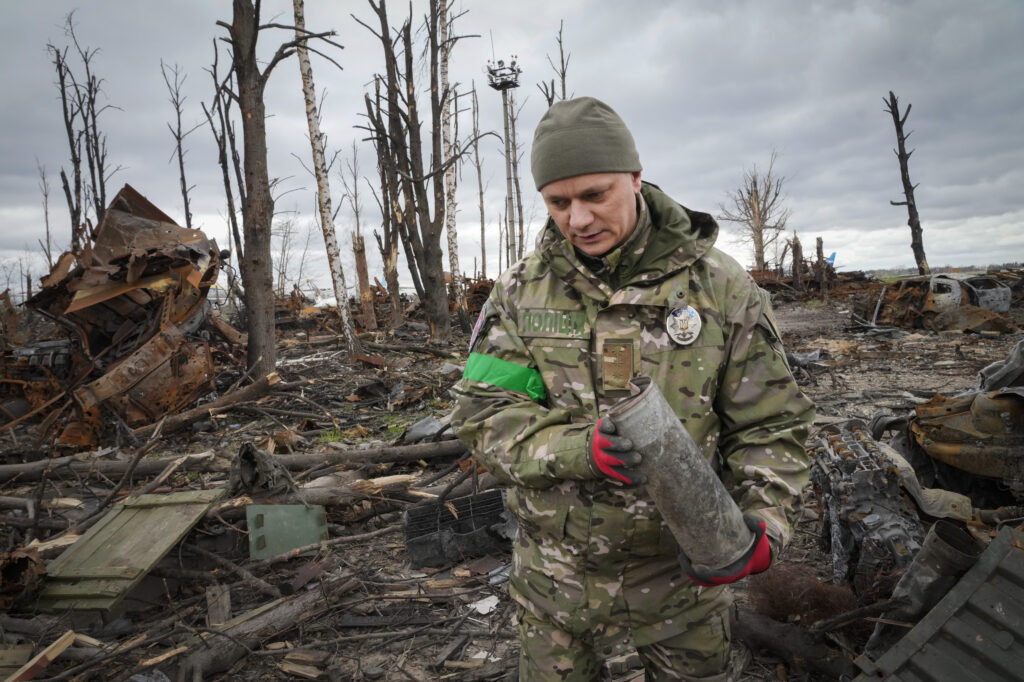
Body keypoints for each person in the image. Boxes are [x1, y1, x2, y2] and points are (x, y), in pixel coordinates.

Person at [452, 96, 815, 681]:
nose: (578, 220)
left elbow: (771, 424)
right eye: (558, 202)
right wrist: (577, 449)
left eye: (596, 195)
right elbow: (485, 413)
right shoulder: (521, 293)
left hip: (683, 585)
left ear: (636, 179)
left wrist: (764, 519)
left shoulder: (719, 287)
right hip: (557, 586)